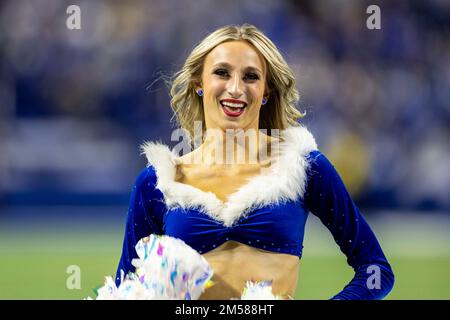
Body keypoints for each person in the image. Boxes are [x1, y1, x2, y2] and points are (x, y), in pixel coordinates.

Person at [115, 24, 395, 300]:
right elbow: (124, 290)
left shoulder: (302, 168)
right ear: (199, 84)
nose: (235, 88)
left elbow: (375, 271)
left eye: (250, 77)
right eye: (222, 73)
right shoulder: (159, 182)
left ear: (267, 91)